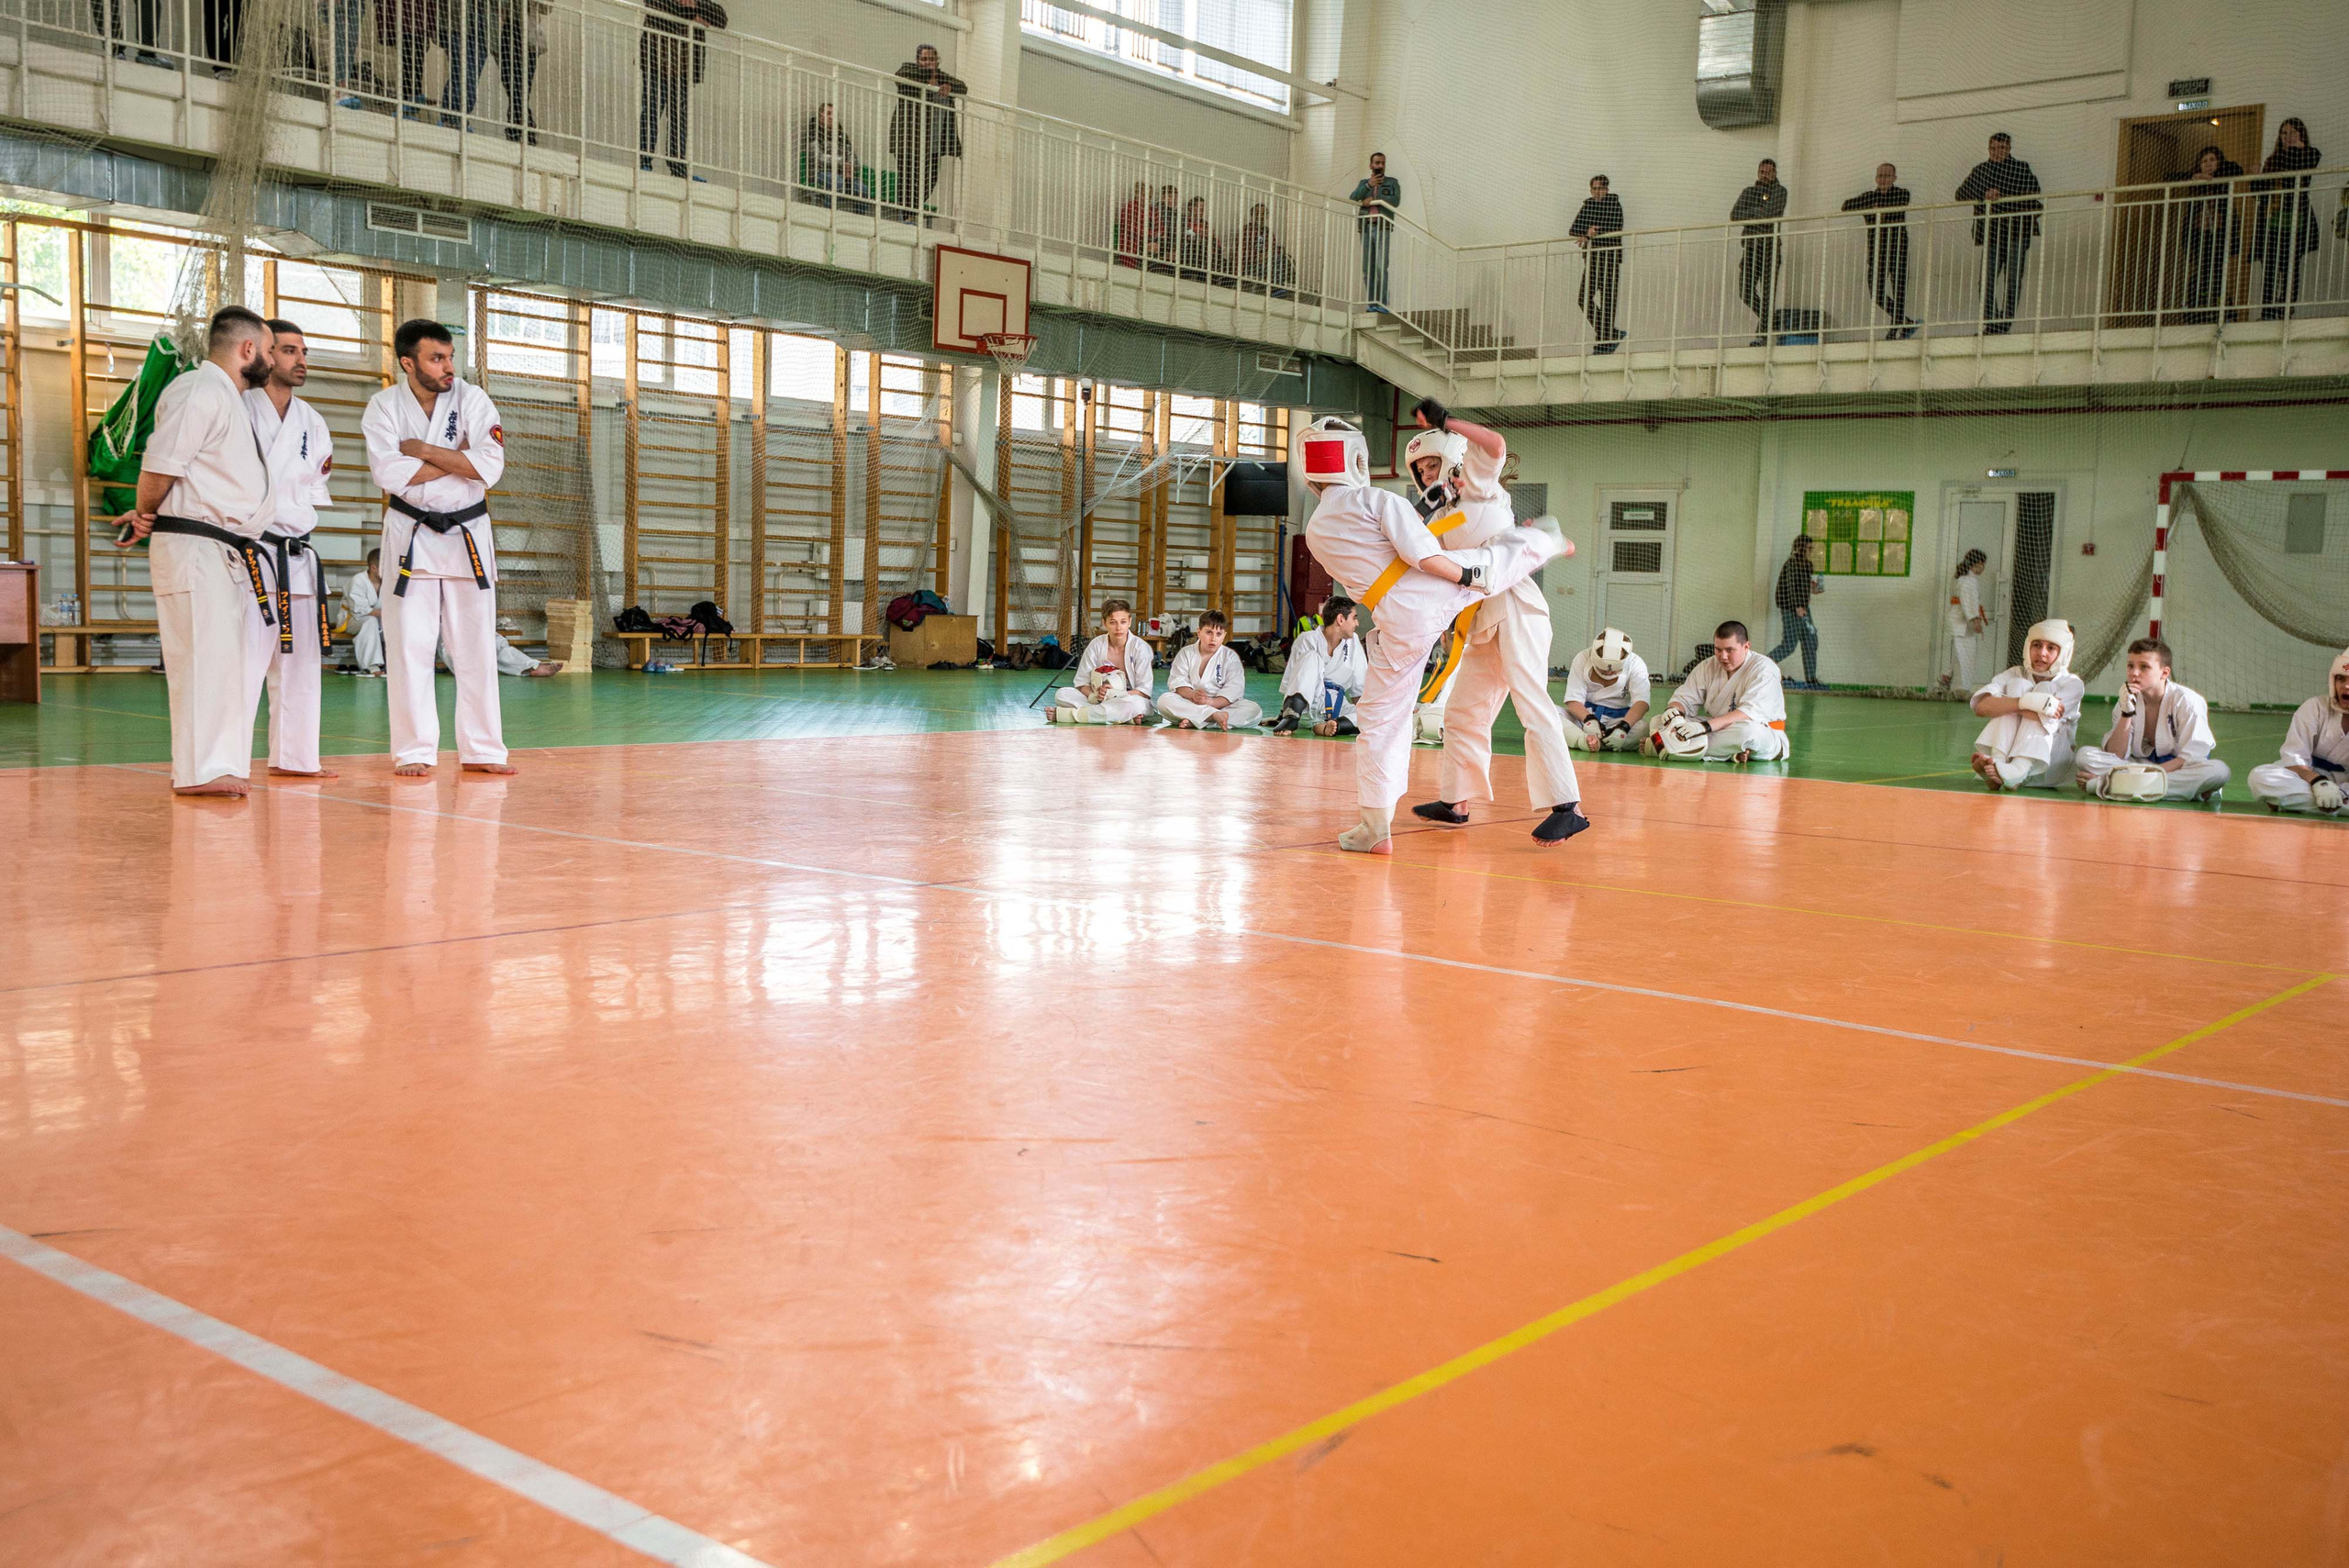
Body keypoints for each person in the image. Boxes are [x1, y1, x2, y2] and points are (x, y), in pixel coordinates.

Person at [1297, 416, 1565, 852]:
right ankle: (1549, 538)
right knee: (1499, 560)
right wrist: (1467, 575)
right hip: (1429, 595)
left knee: (1381, 720)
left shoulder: (1315, 530)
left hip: (1390, 621)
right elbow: (1422, 552)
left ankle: (1374, 827)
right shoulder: (1378, 500)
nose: (1424, 474)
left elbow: (1394, 538)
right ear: (1357, 459)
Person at [1401, 399, 1586, 846]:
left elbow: (1496, 444)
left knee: (1532, 703)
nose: (1427, 475)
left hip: (1518, 607)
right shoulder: (1439, 516)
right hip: (1482, 619)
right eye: (1420, 470)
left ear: (1449, 457)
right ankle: (1456, 802)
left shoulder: (1477, 488)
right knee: (1463, 710)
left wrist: (1446, 421)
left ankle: (1568, 807)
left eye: (1432, 464)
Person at [117, 307, 278, 798]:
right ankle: (199, 771)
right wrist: (144, 511)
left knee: (223, 663)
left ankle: (213, 766)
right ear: (247, 350)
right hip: (195, 543)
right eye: (270, 350)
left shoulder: (225, 397)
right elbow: (162, 463)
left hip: (222, 549)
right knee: (201, 661)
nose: (271, 360)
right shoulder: (198, 390)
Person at [363, 318, 514, 777]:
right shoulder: (383, 407)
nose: (449, 366)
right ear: (408, 363)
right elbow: (389, 475)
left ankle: (484, 749)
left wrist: (422, 451)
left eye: (450, 356)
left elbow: (490, 467)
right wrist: (457, 460)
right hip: (411, 534)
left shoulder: (473, 399)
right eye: (436, 358)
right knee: (409, 646)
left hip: (468, 533)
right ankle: (414, 750)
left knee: (475, 647)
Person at [245, 318, 339, 780]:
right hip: (247, 553)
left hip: (297, 555)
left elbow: (313, 490)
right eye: (288, 351)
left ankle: (296, 759)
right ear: (264, 355)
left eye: (303, 351)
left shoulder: (312, 421)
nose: (300, 360)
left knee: (300, 667)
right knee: (242, 666)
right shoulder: (239, 408)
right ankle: (221, 763)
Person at [2076, 639, 2230, 802]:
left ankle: (2105, 785)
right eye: (2130, 666)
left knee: (2219, 771)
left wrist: (2148, 773)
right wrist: (2126, 714)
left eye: (2144, 667)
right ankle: (2177, 790)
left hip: (2179, 767)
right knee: (2084, 755)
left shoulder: (2187, 701)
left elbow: (2191, 756)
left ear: (2164, 672)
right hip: (2141, 765)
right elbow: (2116, 754)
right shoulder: (2125, 699)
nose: (2134, 673)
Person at [1645, 620, 1790, 763]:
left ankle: (1665, 746)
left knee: (1748, 733)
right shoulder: (1708, 666)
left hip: (1763, 732)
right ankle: (1722, 752)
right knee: (1658, 720)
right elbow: (1684, 698)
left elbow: (1748, 713)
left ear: (1746, 646)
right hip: (1717, 729)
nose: (1723, 656)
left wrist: (1703, 727)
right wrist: (1675, 712)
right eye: (1718, 650)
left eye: (1729, 650)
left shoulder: (1764, 669)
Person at [1967, 618, 2085, 791]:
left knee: (2045, 688)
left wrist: (2010, 704)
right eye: (2037, 645)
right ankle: (1998, 763)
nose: (2042, 653)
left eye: (2051, 648)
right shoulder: (2015, 674)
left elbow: (2047, 716)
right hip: (2004, 764)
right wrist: (2026, 701)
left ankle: (2018, 769)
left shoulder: (2071, 683)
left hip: (2048, 765)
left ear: (2064, 653)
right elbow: (1981, 706)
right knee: (2018, 685)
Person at [1956, 132, 2042, 334]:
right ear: (1988, 149)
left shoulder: (2020, 167)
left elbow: (2033, 190)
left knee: (2012, 279)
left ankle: (2004, 324)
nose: (1997, 152)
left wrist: (2002, 195)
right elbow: (1960, 194)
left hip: (2017, 231)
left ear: (2009, 149)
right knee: (1986, 281)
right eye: (1993, 148)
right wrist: (1984, 195)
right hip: (1992, 233)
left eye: (2002, 148)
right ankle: (1992, 323)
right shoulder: (1981, 170)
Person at [2248, 648, 2349, 815]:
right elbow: (2294, 761)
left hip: (2346, 783)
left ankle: (2299, 802)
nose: (2346, 686)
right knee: (2260, 777)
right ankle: (2336, 805)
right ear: (2333, 681)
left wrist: (2341, 790)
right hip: (2309, 777)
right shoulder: (2315, 707)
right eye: (2341, 678)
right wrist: (2319, 784)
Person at [640, 0, 726, 180]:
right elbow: (660, 7)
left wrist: (695, 6)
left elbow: (721, 18)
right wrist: (692, 15)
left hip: (683, 69)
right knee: (652, 111)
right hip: (657, 61)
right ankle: (644, 161)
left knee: (679, 118)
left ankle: (678, 168)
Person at [2249, 117, 2321, 319]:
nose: (2287, 137)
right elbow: (2259, 194)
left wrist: (2297, 148)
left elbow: (2301, 175)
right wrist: (2256, 176)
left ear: (2301, 135)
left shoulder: (2310, 153)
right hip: (2272, 219)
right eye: (2284, 133)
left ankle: (2286, 309)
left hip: (2296, 220)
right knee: (2270, 266)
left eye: (2292, 132)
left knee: (2290, 266)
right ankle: (2267, 311)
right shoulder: (2273, 160)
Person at [887, 44, 965, 222]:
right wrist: (927, 79)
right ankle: (906, 216)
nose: (928, 63)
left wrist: (947, 86)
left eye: (931, 59)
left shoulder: (943, 77)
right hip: (908, 139)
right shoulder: (909, 70)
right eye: (924, 59)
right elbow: (899, 77)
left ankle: (912, 213)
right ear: (917, 60)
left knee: (929, 180)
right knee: (907, 178)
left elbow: (963, 87)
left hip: (933, 142)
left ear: (937, 61)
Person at [1842, 162, 1917, 339]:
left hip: (1898, 250)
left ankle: (1894, 330)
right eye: (1880, 176)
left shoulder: (1901, 193)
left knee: (1899, 291)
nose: (1883, 179)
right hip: (1877, 252)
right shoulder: (1869, 197)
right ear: (1876, 178)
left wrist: (1877, 209)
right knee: (1876, 293)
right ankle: (1904, 322)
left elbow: (1896, 206)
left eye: (1887, 176)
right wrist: (1872, 207)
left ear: (1894, 178)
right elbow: (1845, 206)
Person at [1272, 595, 1365, 735]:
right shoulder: (1307, 639)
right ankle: (1291, 717)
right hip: (1309, 707)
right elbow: (1292, 684)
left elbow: (1359, 689)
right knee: (1311, 657)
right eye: (1354, 618)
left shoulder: (1353, 642)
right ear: (1341, 619)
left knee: (1376, 715)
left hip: (1338, 709)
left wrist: (1366, 713)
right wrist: (1285, 714)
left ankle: (1334, 727)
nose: (1356, 624)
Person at [1051, 599, 1153, 724]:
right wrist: (1094, 696)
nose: (1119, 628)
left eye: (1123, 622)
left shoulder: (1141, 648)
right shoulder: (1096, 645)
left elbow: (1144, 692)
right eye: (1113, 622)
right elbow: (1082, 682)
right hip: (1099, 699)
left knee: (1135, 705)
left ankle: (1070, 715)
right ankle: (1124, 717)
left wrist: (1115, 694)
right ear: (1104, 623)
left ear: (1130, 622)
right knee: (1062, 694)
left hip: (1128, 698)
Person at [2169, 144, 2241, 325]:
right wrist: (2195, 176)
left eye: (2212, 160)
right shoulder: (2196, 181)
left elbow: (2237, 169)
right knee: (2201, 274)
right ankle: (2194, 314)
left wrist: (2214, 175)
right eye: (2204, 161)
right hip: (2199, 236)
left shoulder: (2225, 176)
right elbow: (2170, 177)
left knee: (2216, 275)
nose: (2208, 164)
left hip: (2220, 236)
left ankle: (2226, 314)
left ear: (2219, 162)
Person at [1157, 611, 1261, 729]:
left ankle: (1200, 720)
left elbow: (1234, 689)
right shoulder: (1186, 653)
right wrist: (1193, 695)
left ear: (1224, 636)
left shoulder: (1230, 657)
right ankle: (1212, 718)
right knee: (1164, 701)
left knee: (1254, 710)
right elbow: (1178, 682)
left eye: (1218, 634)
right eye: (1209, 632)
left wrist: (1211, 703)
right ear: (1199, 632)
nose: (1213, 638)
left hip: (1221, 706)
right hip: (1191, 702)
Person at [1564, 627, 1652, 751]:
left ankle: (1589, 740)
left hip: (1618, 721)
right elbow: (1573, 700)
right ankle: (1582, 740)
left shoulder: (1636, 664)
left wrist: (1623, 728)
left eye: (1614, 670)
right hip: (1583, 718)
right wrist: (1589, 721)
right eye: (1603, 669)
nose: (1609, 673)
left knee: (1644, 729)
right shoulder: (1582, 658)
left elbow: (1641, 703)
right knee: (1550, 713)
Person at [1731, 158, 1788, 345]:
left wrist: (1753, 212)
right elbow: (1735, 215)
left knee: (1767, 293)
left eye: (1769, 172)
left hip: (1770, 248)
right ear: (1758, 172)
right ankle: (1773, 322)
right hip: (1750, 247)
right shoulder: (1749, 192)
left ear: (1775, 174)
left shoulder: (1779, 191)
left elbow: (1771, 212)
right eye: (1762, 172)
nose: (1766, 175)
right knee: (1745, 292)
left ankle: (1763, 335)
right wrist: (1758, 211)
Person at [1569, 174, 1626, 352]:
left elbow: (1615, 225)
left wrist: (1593, 230)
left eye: (1600, 188)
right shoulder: (1588, 205)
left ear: (1606, 189)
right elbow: (1573, 229)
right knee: (1583, 298)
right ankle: (1608, 334)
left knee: (1608, 299)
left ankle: (1604, 340)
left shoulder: (1613, 204)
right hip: (1593, 259)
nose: (1597, 192)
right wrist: (1587, 231)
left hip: (1609, 257)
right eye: (1594, 189)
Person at [1764, 534, 1821, 688]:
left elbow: (1804, 583)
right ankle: (1762, 666)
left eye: (1811, 548)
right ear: (1801, 549)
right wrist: (1798, 606)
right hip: (1791, 608)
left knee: (1810, 642)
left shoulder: (1808, 565)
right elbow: (1790, 586)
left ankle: (1811, 678)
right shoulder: (1791, 564)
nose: (1811, 551)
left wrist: (1813, 588)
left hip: (1803, 608)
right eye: (1808, 548)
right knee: (1789, 645)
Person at [1349, 152, 1399, 311]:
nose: (1380, 166)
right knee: (1367, 268)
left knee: (1380, 266)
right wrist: (1369, 186)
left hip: (1381, 226)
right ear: (1371, 165)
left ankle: (1383, 303)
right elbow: (1353, 197)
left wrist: (1372, 201)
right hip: (1365, 226)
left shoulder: (1392, 182)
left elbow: (1395, 201)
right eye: (1377, 163)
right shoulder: (1364, 183)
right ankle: (1372, 304)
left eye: (1383, 163)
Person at [801, 105, 872, 213]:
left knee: (864, 190)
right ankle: (828, 215)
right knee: (838, 183)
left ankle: (858, 219)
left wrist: (850, 166)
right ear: (821, 116)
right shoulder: (814, 132)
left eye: (833, 114)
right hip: (820, 172)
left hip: (843, 175)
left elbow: (854, 158)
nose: (831, 117)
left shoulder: (842, 136)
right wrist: (842, 163)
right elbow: (817, 157)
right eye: (828, 113)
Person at [1942, 548, 1989, 691]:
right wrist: (1975, 619)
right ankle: (1961, 690)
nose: (1983, 568)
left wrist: (1974, 618)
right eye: (1983, 564)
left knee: (1961, 654)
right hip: (1961, 623)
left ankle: (1947, 676)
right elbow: (1968, 602)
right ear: (1979, 563)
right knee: (1965, 657)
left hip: (1960, 622)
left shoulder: (1960, 577)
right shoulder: (1968, 580)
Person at [1235, 202, 1295, 296]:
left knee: (1283, 259)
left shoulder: (1268, 233)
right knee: (1276, 260)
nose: (1260, 216)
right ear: (1252, 215)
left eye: (1263, 214)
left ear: (1266, 216)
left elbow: (1273, 250)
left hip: (1268, 264)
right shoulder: (1246, 230)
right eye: (1257, 213)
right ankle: (1277, 289)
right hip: (1250, 267)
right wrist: (1259, 257)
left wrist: (1268, 255)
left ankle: (1278, 288)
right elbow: (1242, 254)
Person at [341, 549, 385, 674]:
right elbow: (359, 609)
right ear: (373, 568)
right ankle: (371, 666)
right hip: (352, 620)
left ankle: (397, 664)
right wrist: (387, 613)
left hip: (380, 621)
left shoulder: (389, 583)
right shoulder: (358, 580)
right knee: (370, 621)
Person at [1115, 181, 1165, 271]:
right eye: (1143, 195)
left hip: (1149, 241)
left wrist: (1154, 240)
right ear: (1137, 193)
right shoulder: (1130, 207)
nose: (1146, 198)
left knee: (1157, 247)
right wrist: (1148, 236)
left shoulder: (1153, 211)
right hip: (1133, 241)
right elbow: (1130, 227)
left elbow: (1161, 229)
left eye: (1149, 196)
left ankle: (1151, 273)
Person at [1175, 196, 1224, 284]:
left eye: (1202, 209)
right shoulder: (1183, 220)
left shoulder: (1205, 224)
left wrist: (1210, 238)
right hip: (1187, 252)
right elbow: (1185, 233)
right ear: (1191, 208)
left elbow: (1217, 242)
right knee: (1198, 245)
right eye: (1199, 208)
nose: (1201, 211)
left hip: (1205, 254)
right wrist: (1200, 235)